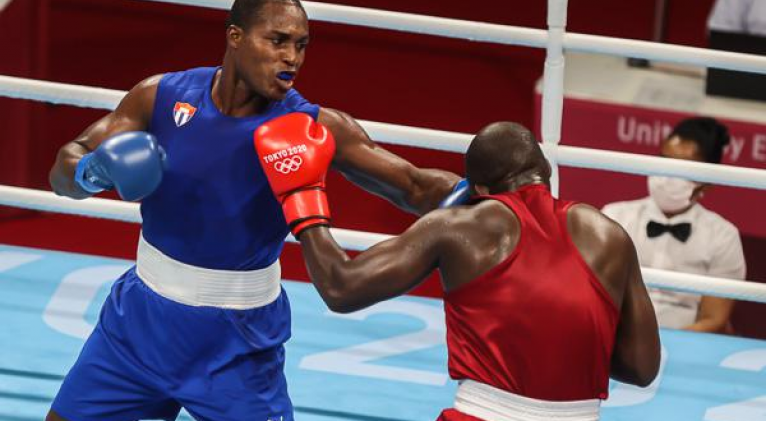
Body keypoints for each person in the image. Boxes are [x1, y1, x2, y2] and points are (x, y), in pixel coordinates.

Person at [46, 0, 460, 419]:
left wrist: (501, 192)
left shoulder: (311, 127)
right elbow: (64, 168)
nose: (291, 58)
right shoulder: (160, 97)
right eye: (277, 41)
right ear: (235, 37)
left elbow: (414, 186)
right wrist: (94, 171)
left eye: (301, 45)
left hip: (237, 345)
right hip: (136, 326)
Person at [259, 119, 661, 421]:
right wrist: (558, 340)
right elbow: (643, 368)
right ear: (545, 172)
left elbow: (342, 287)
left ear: (479, 190)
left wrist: (303, 199)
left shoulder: (458, 228)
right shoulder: (610, 235)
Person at [603, 117, 746, 333]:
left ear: (707, 181)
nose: (668, 175)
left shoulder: (724, 237)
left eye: (684, 167)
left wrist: (664, 348)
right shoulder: (614, 217)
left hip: (686, 344)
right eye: (665, 159)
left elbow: (713, 319)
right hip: (616, 337)